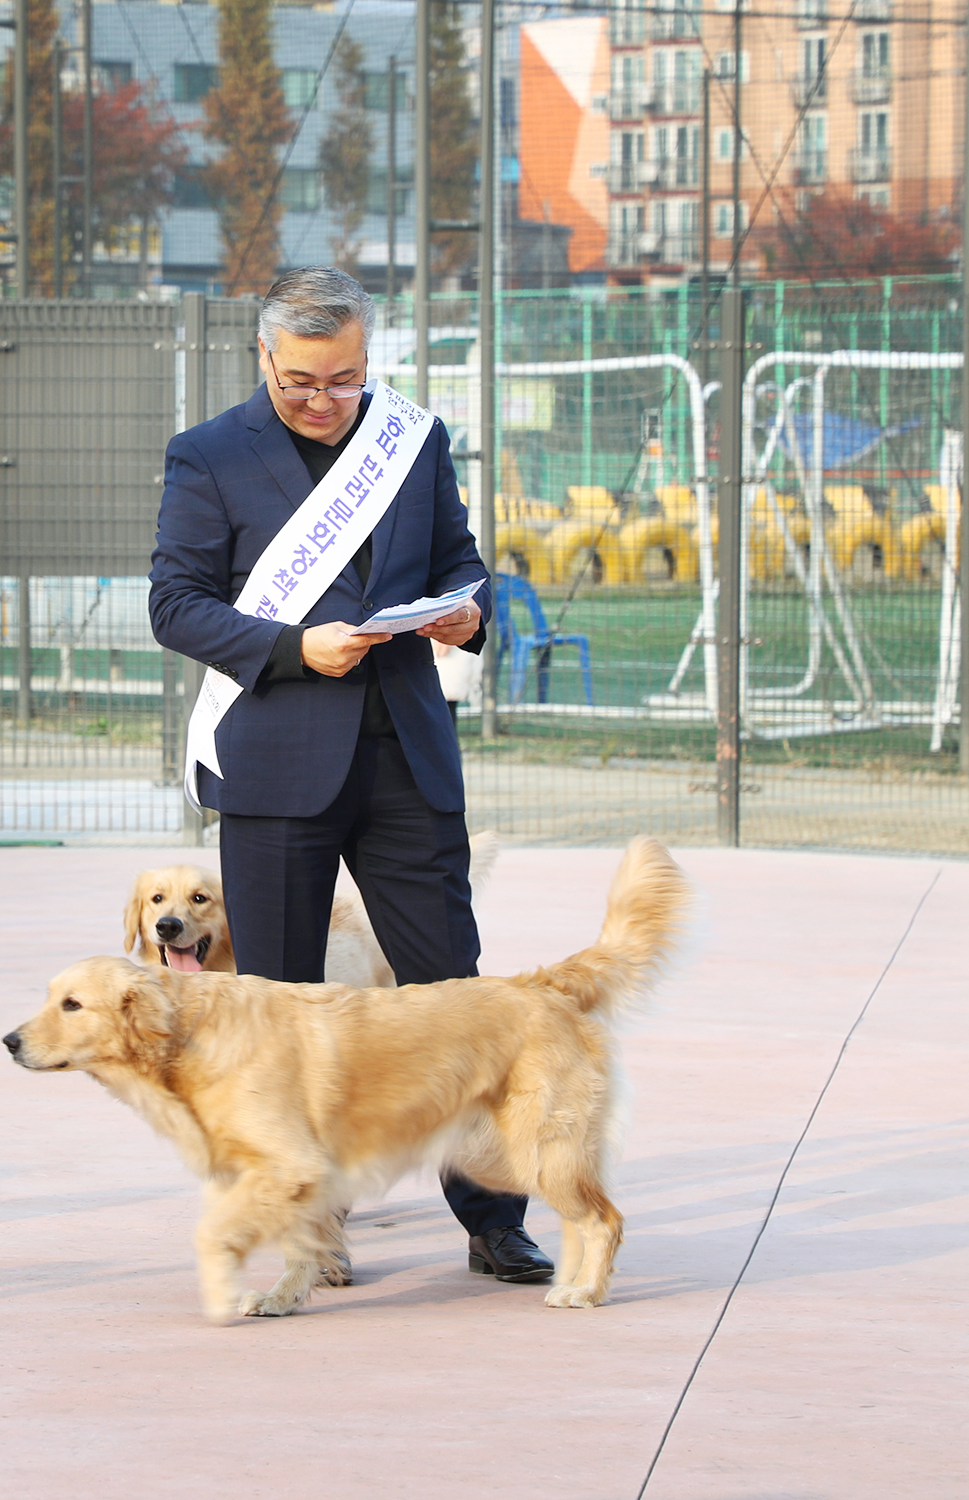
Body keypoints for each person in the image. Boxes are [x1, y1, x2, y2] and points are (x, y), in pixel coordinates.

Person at [146, 266, 553, 1286]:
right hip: (279, 758)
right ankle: (301, 1221)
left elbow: (462, 559)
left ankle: (494, 1216)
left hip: (406, 756)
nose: (327, 402)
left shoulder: (409, 440)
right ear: (263, 359)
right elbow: (177, 604)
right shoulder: (207, 457)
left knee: (457, 1001)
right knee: (276, 1017)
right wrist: (292, 650)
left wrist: (468, 607)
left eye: (346, 380)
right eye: (302, 384)